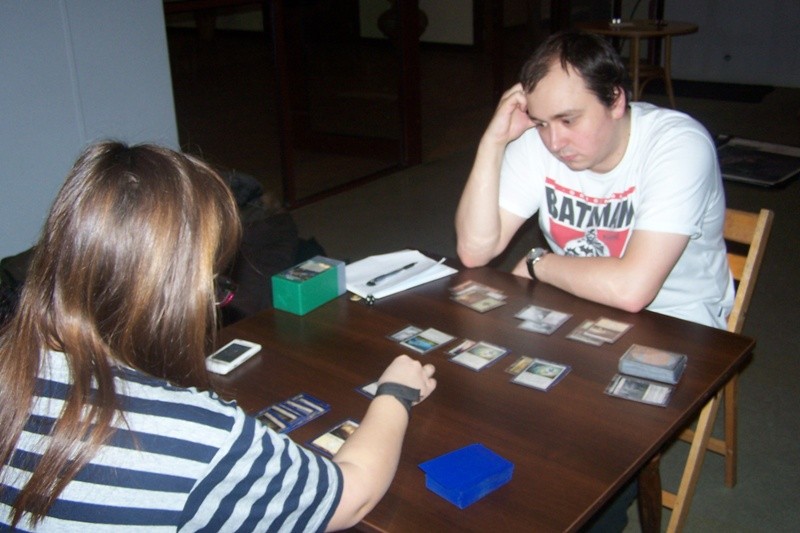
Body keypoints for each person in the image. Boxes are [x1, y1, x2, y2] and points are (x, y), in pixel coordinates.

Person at [0, 141, 436, 531]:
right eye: (212, 288)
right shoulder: (197, 437)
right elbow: (352, 496)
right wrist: (395, 392)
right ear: (174, 299)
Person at [456, 30, 733, 329]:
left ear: (615, 101)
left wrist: (539, 263)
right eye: (541, 123)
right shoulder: (537, 139)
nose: (554, 142)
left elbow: (631, 291)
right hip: (579, 304)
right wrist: (493, 142)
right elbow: (474, 251)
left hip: (678, 321)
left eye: (568, 120)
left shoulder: (679, 146)